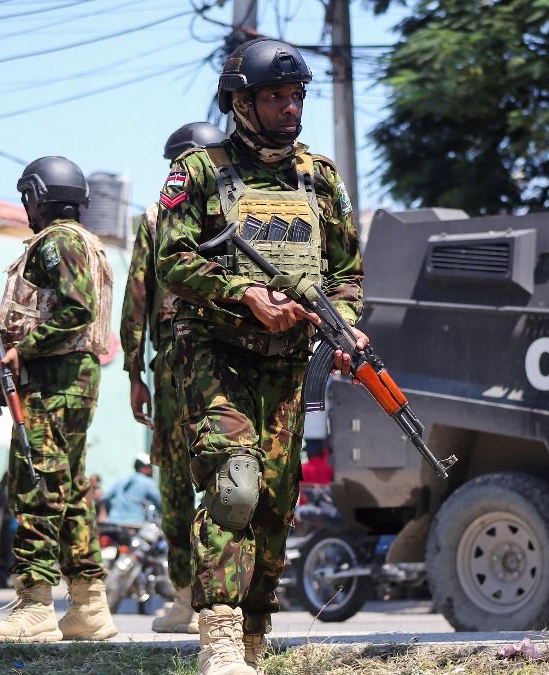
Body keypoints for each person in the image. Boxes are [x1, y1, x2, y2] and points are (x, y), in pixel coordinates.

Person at [155, 38, 365, 675]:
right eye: (274, 96)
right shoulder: (195, 171)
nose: (289, 108)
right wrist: (243, 293)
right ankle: (217, 636)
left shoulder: (319, 178)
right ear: (240, 103)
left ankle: (253, 633)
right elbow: (172, 258)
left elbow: (347, 273)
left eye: (295, 95)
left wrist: (346, 330)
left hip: (290, 362)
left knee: (276, 499)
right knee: (234, 488)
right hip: (215, 355)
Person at [0, 156, 117, 643]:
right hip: (72, 378)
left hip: (55, 380)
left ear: (39, 195)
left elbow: (76, 309)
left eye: (27, 198)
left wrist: (22, 349)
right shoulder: (87, 243)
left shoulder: (58, 241)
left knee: (35, 482)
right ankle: (88, 606)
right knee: (70, 488)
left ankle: (35, 603)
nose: (26, 208)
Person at [120, 120, 227, 634]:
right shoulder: (244, 210)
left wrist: (132, 371)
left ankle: (190, 600)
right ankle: (220, 602)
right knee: (226, 474)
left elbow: (136, 298)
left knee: (182, 483)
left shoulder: (160, 214)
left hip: (177, 365)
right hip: (230, 365)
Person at [103, 454, 162, 526]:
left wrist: (103, 514)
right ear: (144, 467)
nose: (152, 470)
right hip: (134, 525)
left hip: (113, 523)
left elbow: (104, 498)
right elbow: (160, 503)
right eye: (150, 467)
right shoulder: (147, 483)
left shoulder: (121, 481)